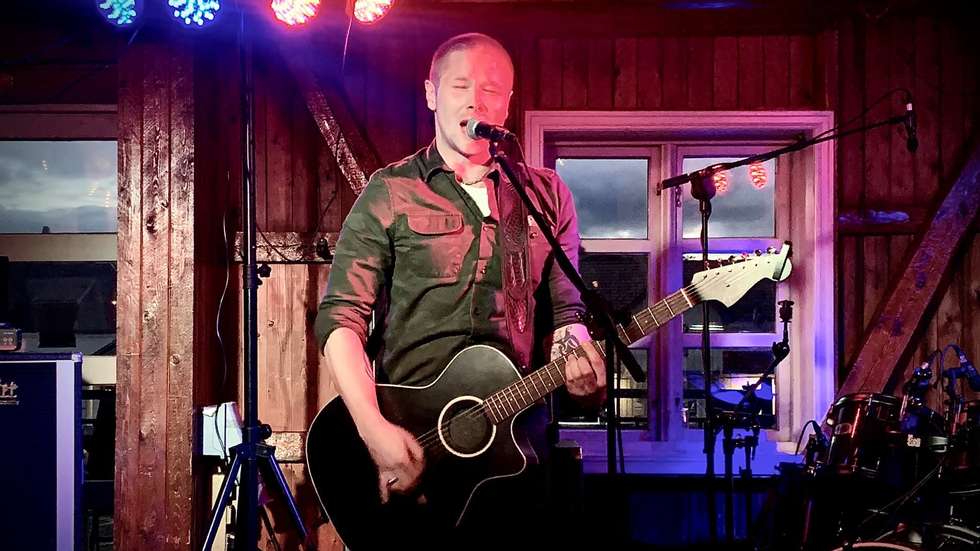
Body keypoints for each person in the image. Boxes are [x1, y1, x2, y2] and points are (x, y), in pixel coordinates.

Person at [314, 32, 606, 545]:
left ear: (507, 103)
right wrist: (372, 430)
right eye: (460, 86)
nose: (476, 102)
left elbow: (567, 315)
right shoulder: (392, 190)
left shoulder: (545, 195)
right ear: (432, 94)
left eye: (491, 90)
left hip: (515, 446)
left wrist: (579, 362)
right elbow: (341, 318)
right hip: (414, 442)